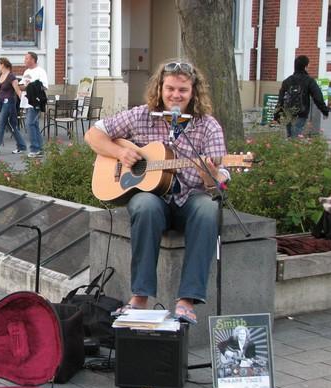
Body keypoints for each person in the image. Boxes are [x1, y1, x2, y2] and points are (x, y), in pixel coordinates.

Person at [84, 60, 230, 324]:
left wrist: (210, 177)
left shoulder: (208, 126)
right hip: (155, 200)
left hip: (190, 201)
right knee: (144, 205)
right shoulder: (141, 115)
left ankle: (187, 299)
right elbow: (93, 135)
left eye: (183, 90)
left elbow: (219, 184)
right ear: (160, 89)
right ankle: (140, 296)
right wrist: (120, 152)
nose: (176, 95)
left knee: (209, 208)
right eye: (170, 88)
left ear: (193, 92)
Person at [274, 55, 329, 138]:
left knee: (290, 135)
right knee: (296, 135)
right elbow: (318, 97)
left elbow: (281, 98)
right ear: (306, 67)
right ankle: (293, 149)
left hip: (288, 112)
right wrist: (324, 111)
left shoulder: (287, 81)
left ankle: (290, 149)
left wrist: (277, 114)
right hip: (301, 112)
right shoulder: (309, 80)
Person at [0, 57, 27, 155]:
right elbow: (1, 88)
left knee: (0, 124)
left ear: (3, 64)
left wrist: (25, 104)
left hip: (9, 102)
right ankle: (22, 146)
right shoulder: (0, 75)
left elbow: (17, 90)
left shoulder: (11, 77)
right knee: (12, 125)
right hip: (1, 102)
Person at [19, 51, 48, 158]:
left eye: (26, 58)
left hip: (35, 101)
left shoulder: (40, 71)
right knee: (34, 125)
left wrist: (31, 86)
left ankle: (34, 148)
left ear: (32, 60)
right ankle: (39, 148)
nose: (24, 60)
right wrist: (22, 87)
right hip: (26, 101)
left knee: (29, 124)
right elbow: (22, 85)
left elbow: (44, 86)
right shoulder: (26, 71)